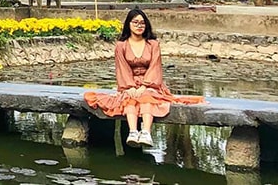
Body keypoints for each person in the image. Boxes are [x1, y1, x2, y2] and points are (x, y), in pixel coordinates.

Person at [84, 9, 206, 148]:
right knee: (129, 98)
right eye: (135, 22)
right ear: (128, 24)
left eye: (142, 23)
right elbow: (122, 68)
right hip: (129, 83)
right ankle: (133, 132)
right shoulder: (121, 45)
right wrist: (129, 86)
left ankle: (146, 132)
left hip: (151, 84)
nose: (139, 25)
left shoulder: (153, 44)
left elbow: (155, 67)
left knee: (146, 96)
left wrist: (145, 86)